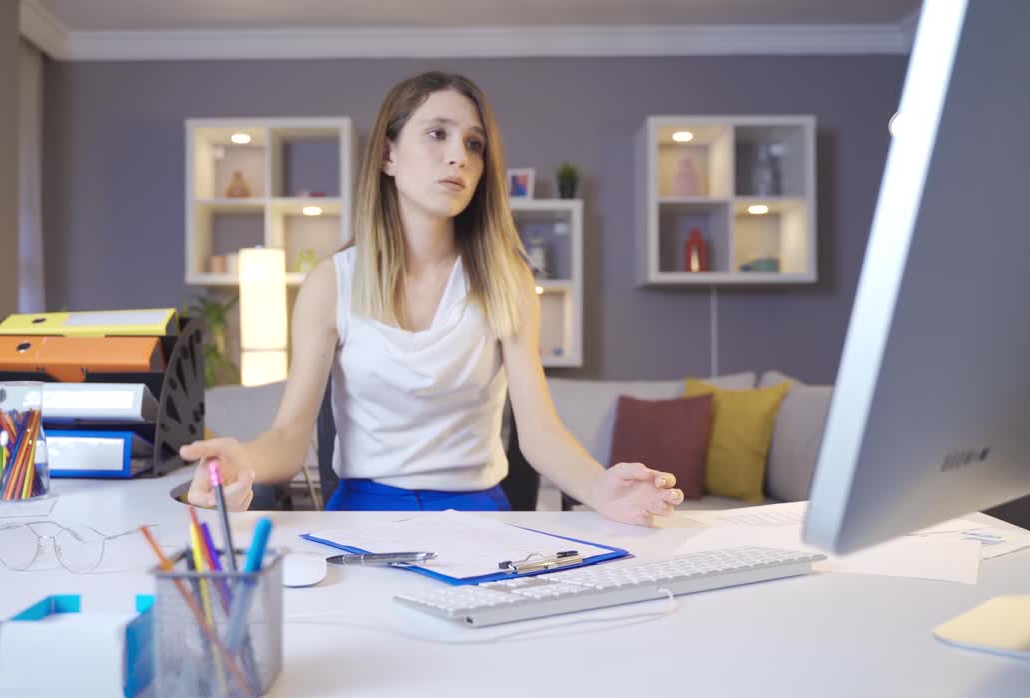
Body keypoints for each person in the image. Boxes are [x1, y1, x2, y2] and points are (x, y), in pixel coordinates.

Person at [180, 71, 683, 526]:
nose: (458, 156)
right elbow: (289, 438)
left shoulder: (507, 280)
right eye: (437, 134)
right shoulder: (331, 283)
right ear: (388, 155)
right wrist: (244, 459)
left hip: (478, 514)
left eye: (474, 143)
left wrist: (599, 487)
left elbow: (540, 431)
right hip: (362, 515)